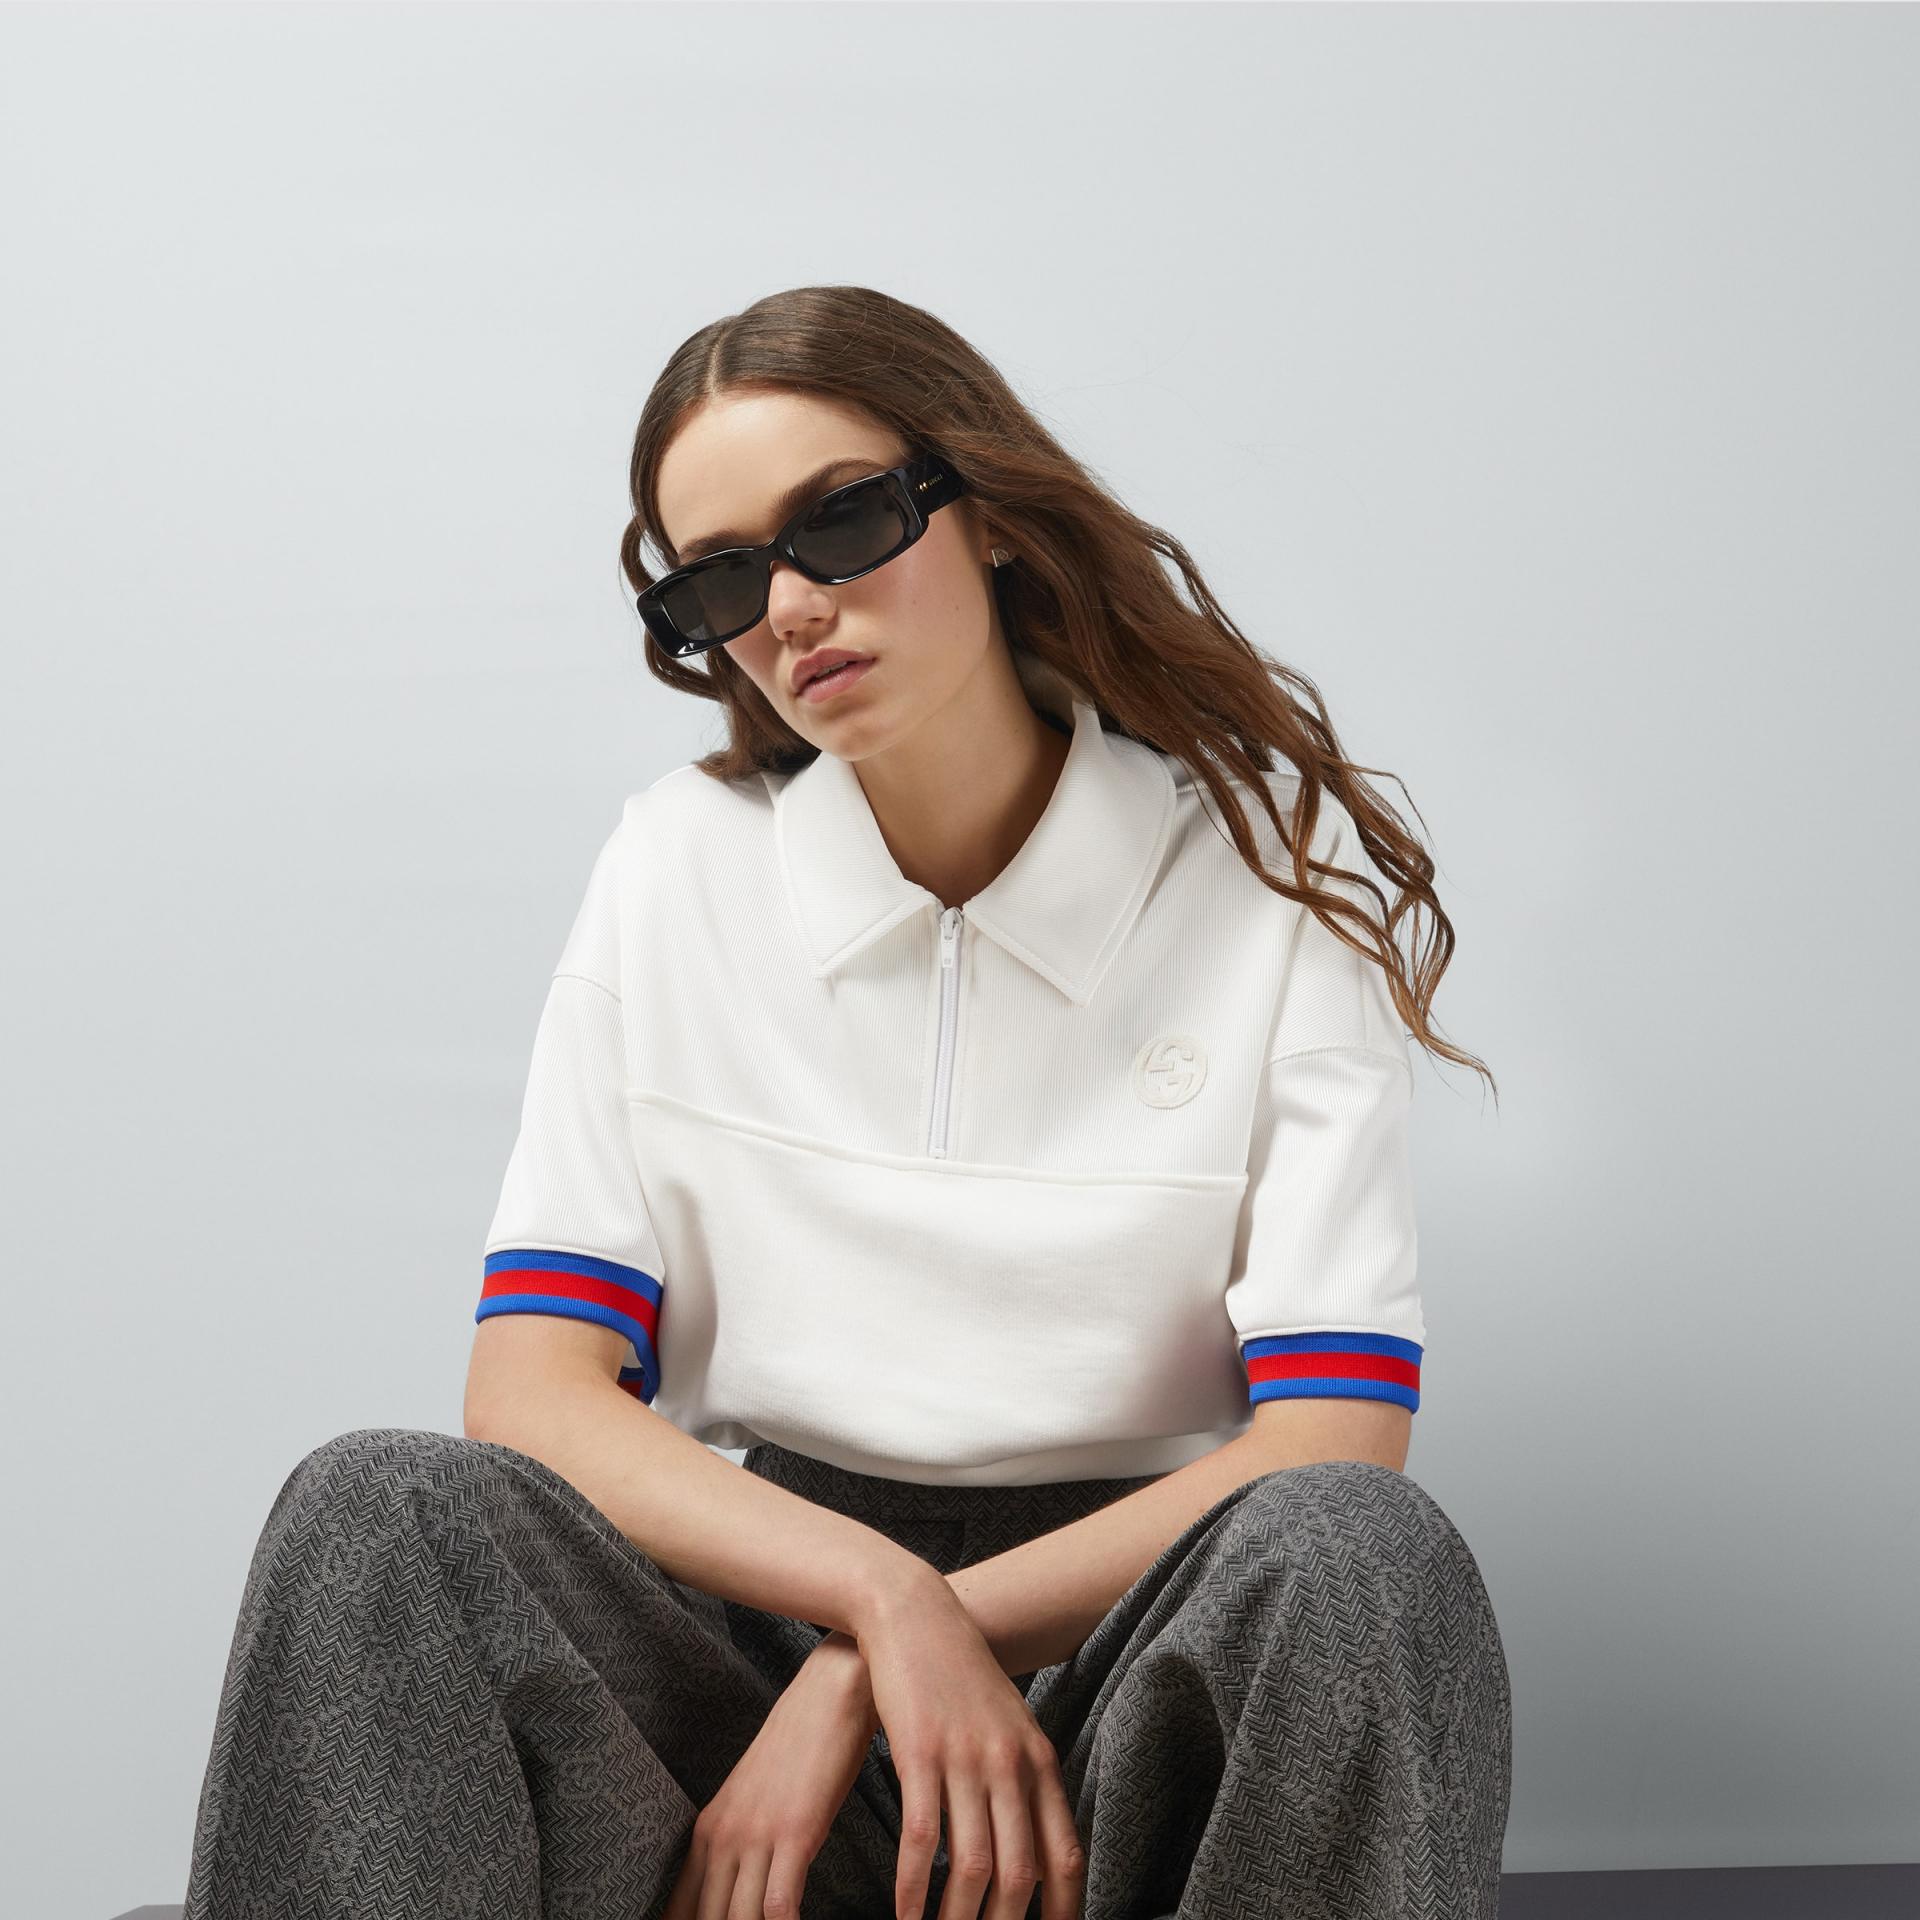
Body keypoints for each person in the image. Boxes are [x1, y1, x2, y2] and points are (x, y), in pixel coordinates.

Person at [182, 285, 1512, 1920]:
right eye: (725, 578)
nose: (794, 607)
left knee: (1358, 1554)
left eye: (845, 519)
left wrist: (901, 1652)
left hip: (1122, 1681)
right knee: (372, 1510)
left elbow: (1334, 1436)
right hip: (744, 1691)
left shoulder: (1261, 882)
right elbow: (529, 1389)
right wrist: (877, 1604)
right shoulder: (678, 865)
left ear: (990, 511)